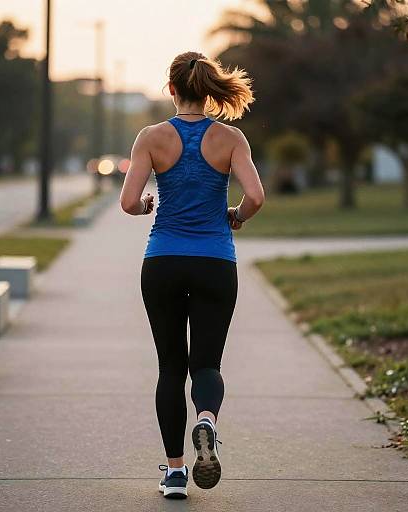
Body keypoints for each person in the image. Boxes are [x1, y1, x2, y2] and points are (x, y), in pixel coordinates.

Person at [119, 51, 265, 499]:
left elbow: (128, 202)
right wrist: (235, 215)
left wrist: (147, 205)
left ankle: (176, 472)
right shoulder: (230, 138)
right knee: (206, 364)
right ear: (208, 90)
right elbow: (256, 197)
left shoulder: (151, 137)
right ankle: (207, 419)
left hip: (162, 261)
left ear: (171, 89)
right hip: (215, 263)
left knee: (170, 367)